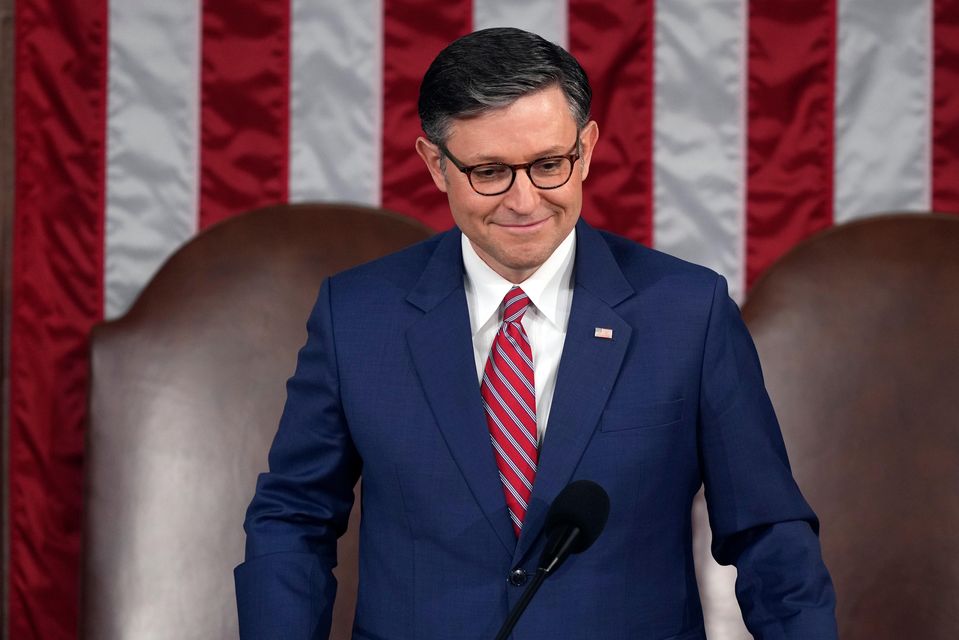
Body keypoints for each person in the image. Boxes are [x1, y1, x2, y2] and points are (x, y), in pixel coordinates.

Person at [235, 27, 837, 640]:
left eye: (550, 165)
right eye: (490, 171)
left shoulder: (687, 311)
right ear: (436, 165)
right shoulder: (357, 316)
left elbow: (769, 532)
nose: (526, 201)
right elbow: (294, 519)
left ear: (588, 148)